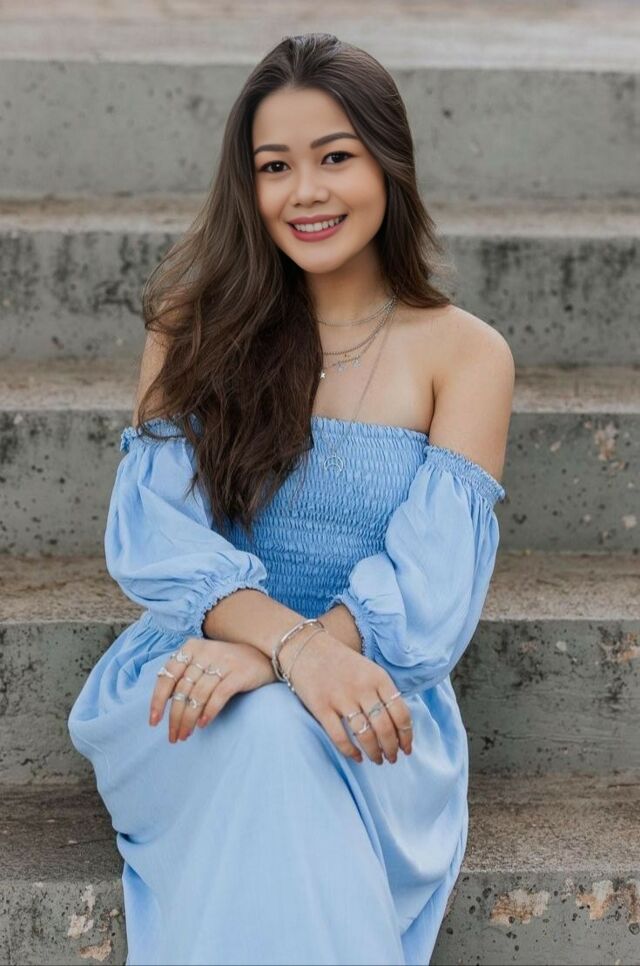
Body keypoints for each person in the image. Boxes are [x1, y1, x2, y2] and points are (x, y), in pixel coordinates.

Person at [67, 32, 514, 966]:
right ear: (249, 185)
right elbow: (159, 538)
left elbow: (432, 593)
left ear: (388, 163)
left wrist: (294, 660)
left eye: (335, 157)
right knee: (268, 728)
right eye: (275, 166)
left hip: (373, 694)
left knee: (285, 725)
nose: (305, 191)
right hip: (190, 678)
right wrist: (286, 649)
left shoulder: (466, 355)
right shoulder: (193, 327)